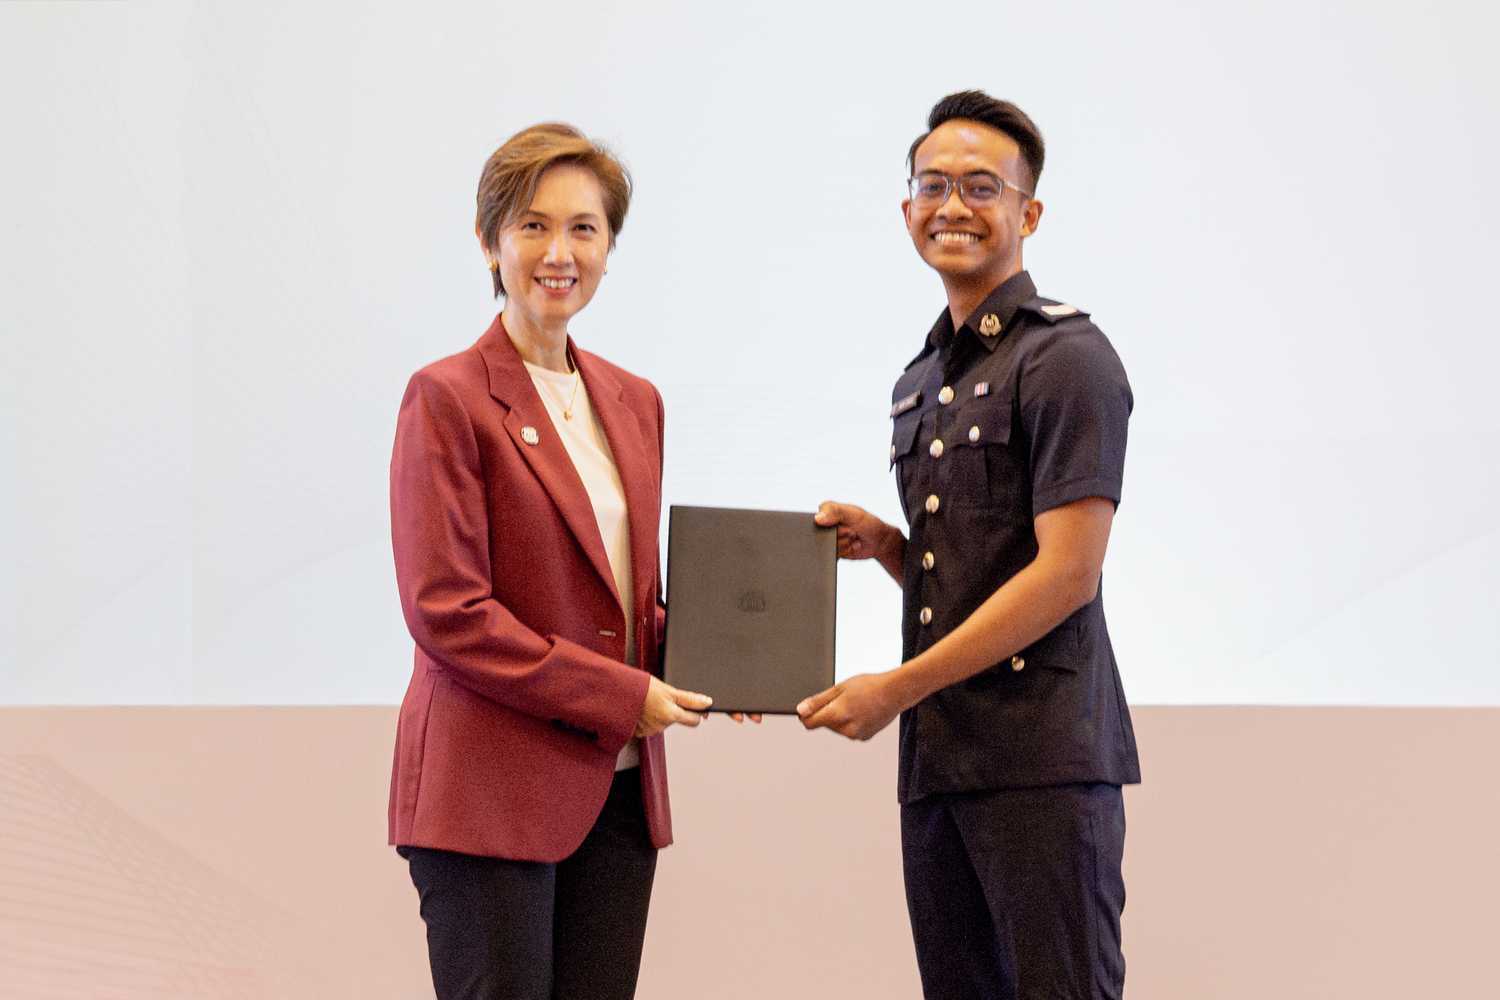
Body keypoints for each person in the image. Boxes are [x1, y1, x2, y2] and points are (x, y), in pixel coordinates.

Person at [799, 91, 1141, 999]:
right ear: (906, 206)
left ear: (1028, 213)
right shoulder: (922, 377)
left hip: (1041, 763)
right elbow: (980, 568)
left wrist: (895, 691)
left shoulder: (1068, 357)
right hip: (943, 759)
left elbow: (1066, 575)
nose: (953, 205)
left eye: (982, 186)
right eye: (934, 184)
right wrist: (890, 549)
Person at [388, 122, 731, 1000]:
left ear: (611, 248)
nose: (558, 251)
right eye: (532, 225)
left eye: (584, 228)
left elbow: (627, 597)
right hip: (489, 800)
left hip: (617, 799)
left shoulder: (634, 399)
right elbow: (449, 615)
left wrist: (721, 658)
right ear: (489, 241)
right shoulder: (447, 397)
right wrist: (625, 696)